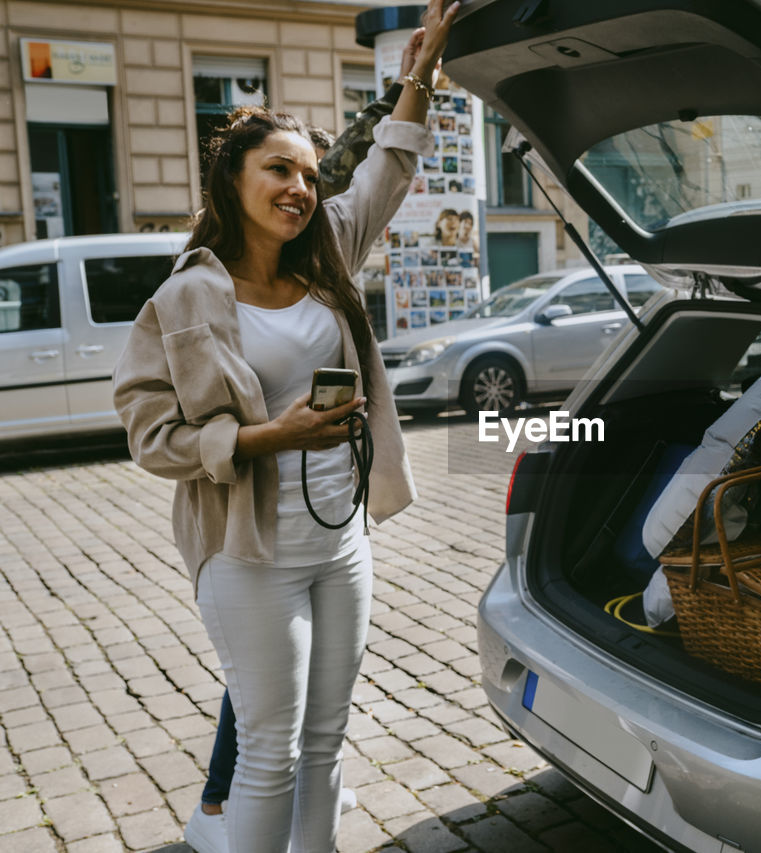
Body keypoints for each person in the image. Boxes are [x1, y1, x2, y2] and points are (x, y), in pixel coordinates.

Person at [113, 4, 459, 852]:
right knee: (268, 752)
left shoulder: (329, 255)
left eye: (307, 174)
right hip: (247, 554)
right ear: (233, 182)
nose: (300, 188)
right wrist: (272, 435)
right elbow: (150, 435)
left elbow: (387, 167)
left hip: (342, 542)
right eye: (279, 171)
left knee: (326, 742)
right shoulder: (187, 298)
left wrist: (421, 70)